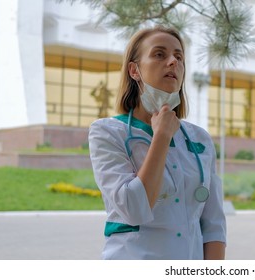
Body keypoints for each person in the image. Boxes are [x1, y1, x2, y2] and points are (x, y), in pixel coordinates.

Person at [88, 26, 226, 260]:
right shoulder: (107, 132)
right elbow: (134, 208)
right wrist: (161, 136)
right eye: (159, 54)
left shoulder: (199, 139)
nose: (173, 62)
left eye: (179, 57)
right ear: (134, 70)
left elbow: (213, 225)